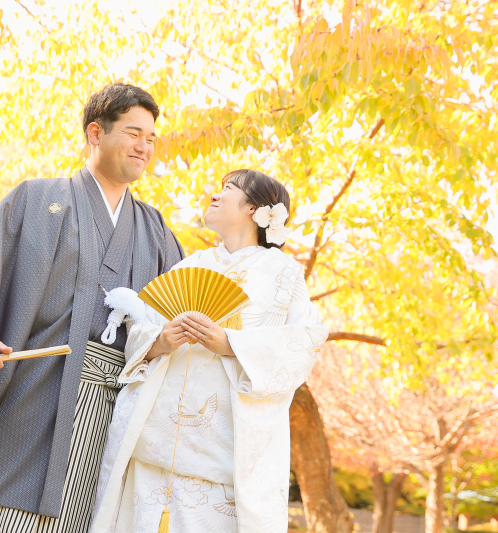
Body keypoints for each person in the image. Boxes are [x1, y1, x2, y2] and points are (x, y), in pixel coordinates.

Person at [0, 83, 184, 533]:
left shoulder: (154, 228)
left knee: (90, 514)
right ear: (95, 133)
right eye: (134, 133)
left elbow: (180, 304)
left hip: (114, 403)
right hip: (34, 388)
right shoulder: (37, 200)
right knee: (6, 510)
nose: (145, 146)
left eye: (152, 138)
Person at [89, 169, 329, 533]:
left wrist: (232, 344)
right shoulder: (192, 264)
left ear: (255, 208)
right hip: (153, 446)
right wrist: (159, 341)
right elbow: (143, 328)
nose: (214, 196)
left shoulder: (283, 274)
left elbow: (305, 342)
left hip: (219, 459)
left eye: (228, 189)